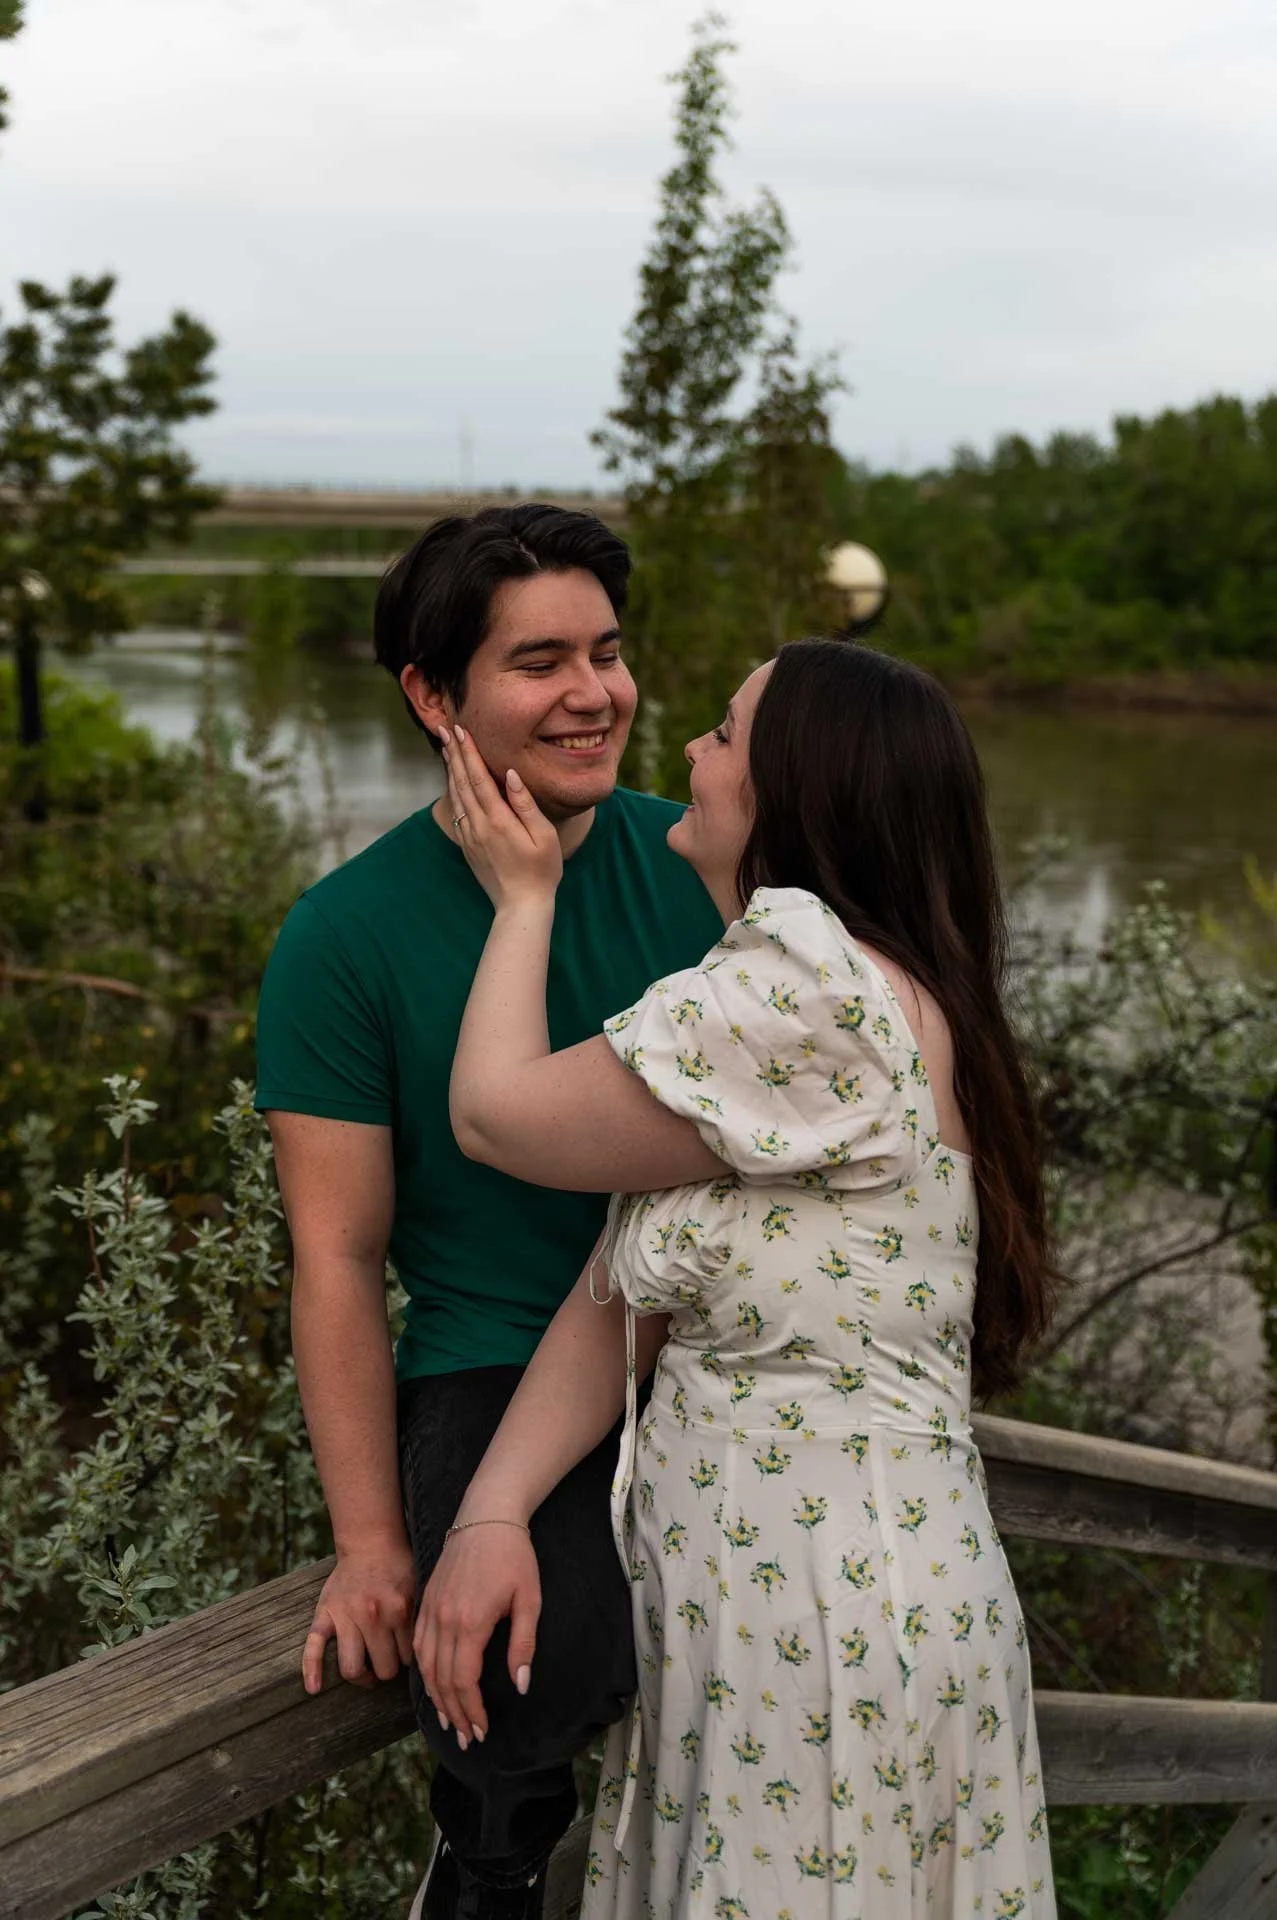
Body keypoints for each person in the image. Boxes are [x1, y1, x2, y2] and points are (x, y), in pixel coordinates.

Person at [414, 638, 1060, 1919]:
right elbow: (628, 1290)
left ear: (797, 790)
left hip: (827, 1627)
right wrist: (492, 1512)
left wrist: (523, 898)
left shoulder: (805, 991)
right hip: (773, 1625)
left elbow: (493, 1117)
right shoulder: (827, 1005)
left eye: (722, 732)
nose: (691, 754)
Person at [253, 503, 724, 1920]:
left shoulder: (708, 866)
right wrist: (372, 1543)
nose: (593, 694)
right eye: (539, 663)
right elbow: (335, 1257)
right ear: (431, 693)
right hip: (497, 1352)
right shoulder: (345, 934)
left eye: (609, 651)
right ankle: (490, 1870)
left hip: (709, 1341)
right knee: (530, 1652)